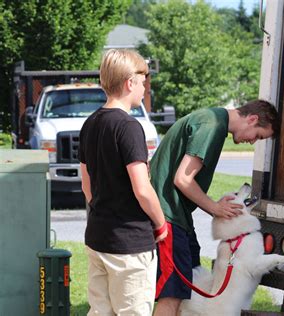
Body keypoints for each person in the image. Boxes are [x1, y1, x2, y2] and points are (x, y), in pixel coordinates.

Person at [150, 100, 280, 316]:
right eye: (258, 136)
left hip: (178, 216)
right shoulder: (211, 126)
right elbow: (182, 179)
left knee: (186, 291)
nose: (253, 142)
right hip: (168, 216)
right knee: (171, 293)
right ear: (252, 119)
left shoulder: (212, 121)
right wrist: (215, 208)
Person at [79, 49, 167, 316]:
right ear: (130, 82)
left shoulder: (90, 124)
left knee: (100, 312)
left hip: (98, 237)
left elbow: (87, 186)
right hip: (129, 244)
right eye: (143, 82)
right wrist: (161, 224)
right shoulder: (129, 127)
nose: (144, 88)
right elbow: (142, 189)